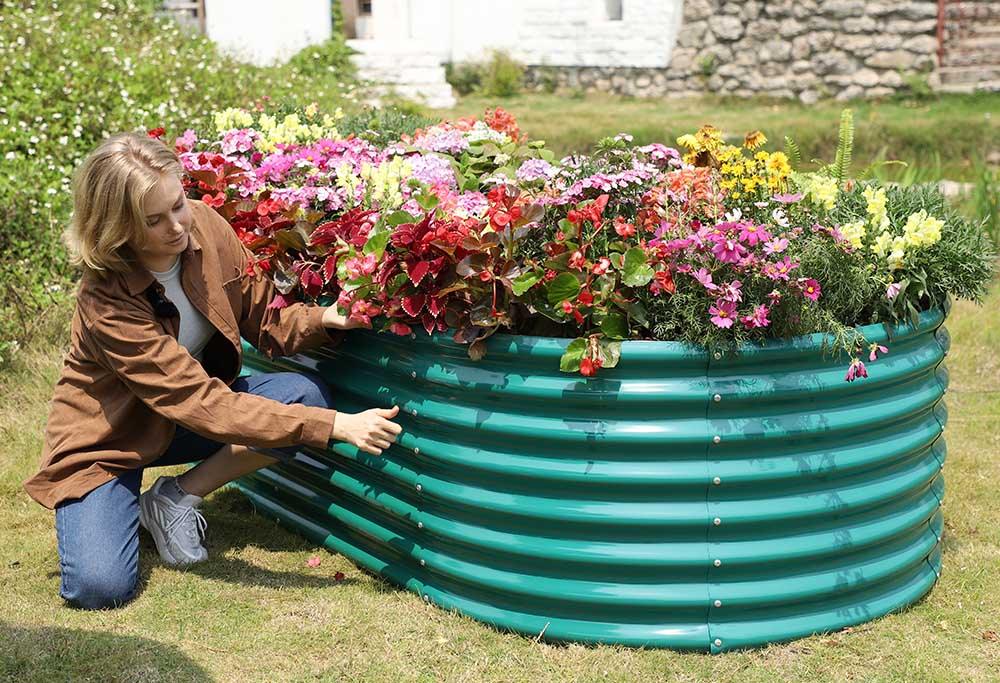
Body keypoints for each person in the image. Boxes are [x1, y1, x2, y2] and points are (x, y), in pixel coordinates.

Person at [22, 132, 402, 610]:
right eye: (153, 221)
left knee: (302, 395)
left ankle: (174, 499)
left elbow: (265, 318)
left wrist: (325, 318)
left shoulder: (205, 226)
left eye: (177, 205)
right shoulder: (107, 301)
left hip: (179, 421)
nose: (177, 227)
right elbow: (202, 402)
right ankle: (111, 502)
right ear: (117, 228)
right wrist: (336, 427)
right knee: (99, 588)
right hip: (109, 442)